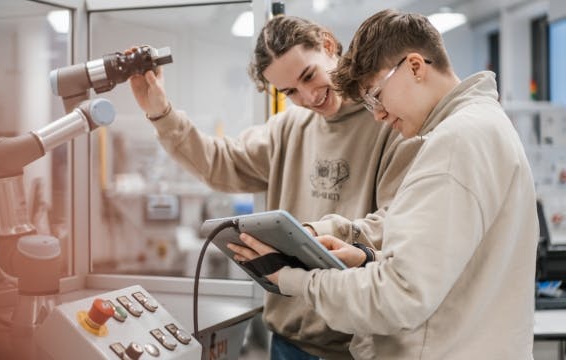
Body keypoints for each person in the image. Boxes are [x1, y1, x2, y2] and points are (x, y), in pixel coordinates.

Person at [229, 9, 539, 360]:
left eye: (376, 95)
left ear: (416, 67)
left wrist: (292, 279)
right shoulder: (482, 126)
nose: (377, 114)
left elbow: (398, 297)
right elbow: (443, 263)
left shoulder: (454, 144)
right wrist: (366, 257)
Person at [128, 15, 421, 360]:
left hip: (357, 345)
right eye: (290, 92)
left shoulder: (388, 121)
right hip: (288, 339)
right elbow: (221, 163)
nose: (309, 97)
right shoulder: (287, 128)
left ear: (328, 45)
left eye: (309, 75)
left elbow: (398, 223)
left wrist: (316, 232)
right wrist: (160, 112)